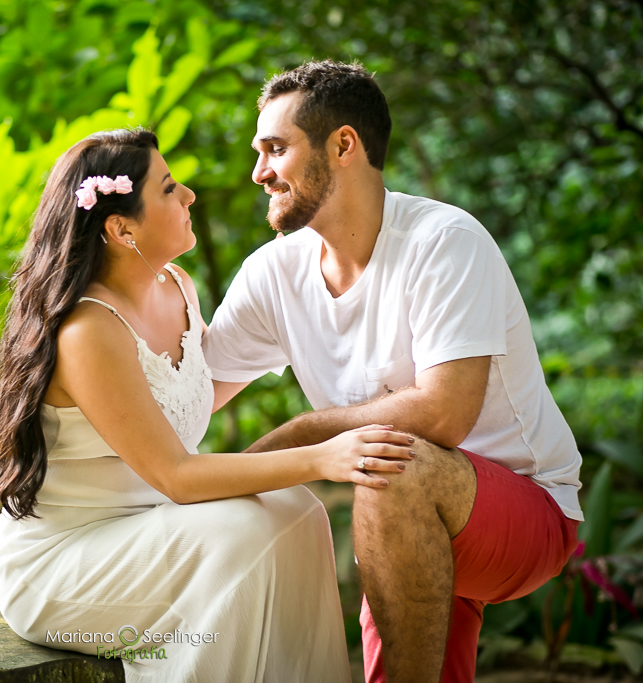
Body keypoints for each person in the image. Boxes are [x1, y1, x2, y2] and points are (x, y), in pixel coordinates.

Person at [0, 127, 415, 683]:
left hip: (157, 530)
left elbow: (195, 392)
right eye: (168, 188)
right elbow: (177, 477)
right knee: (243, 532)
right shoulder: (88, 330)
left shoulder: (176, 286)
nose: (189, 195)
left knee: (299, 512)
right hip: (67, 564)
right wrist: (323, 456)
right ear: (121, 228)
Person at [202, 61, 583, 683]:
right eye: (259, 152)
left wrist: (302, 435)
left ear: (343, 145)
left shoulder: (444, 241)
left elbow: (443, 413)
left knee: (388, 465)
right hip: (401, 512)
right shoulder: (273, 273)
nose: (259, 172)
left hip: (525, 507)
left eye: (276, 149)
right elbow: (191, 397)